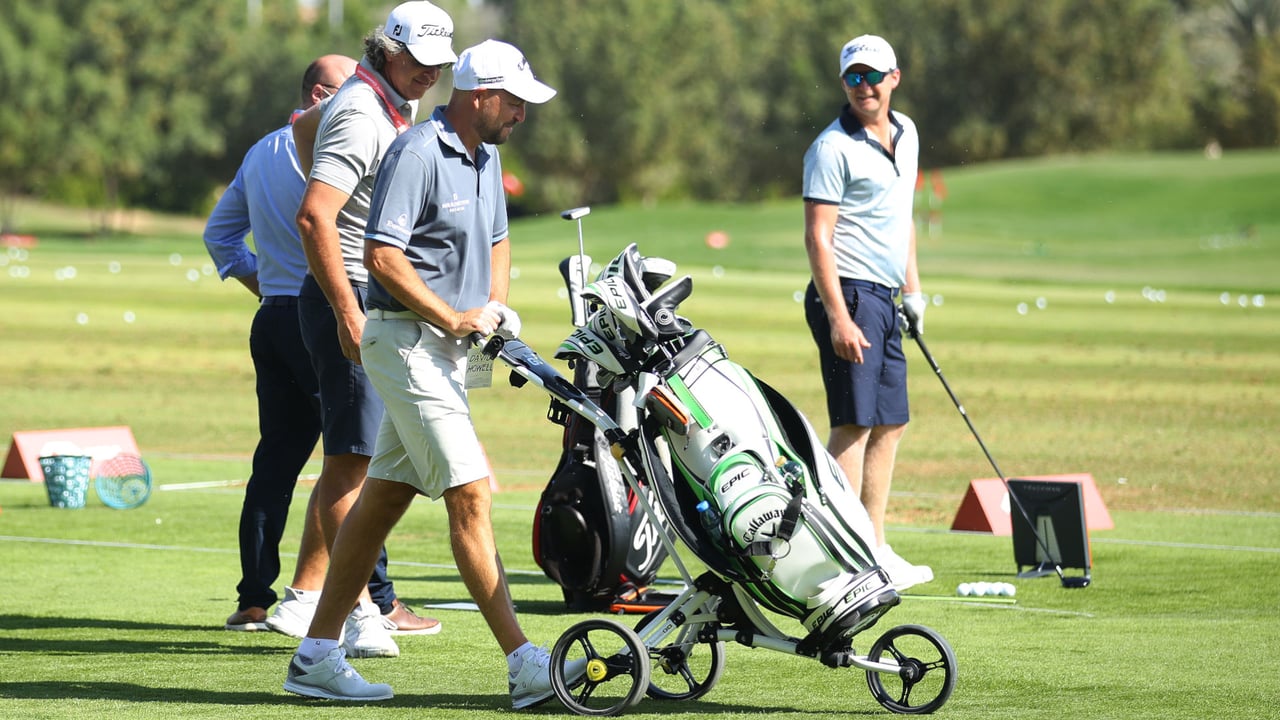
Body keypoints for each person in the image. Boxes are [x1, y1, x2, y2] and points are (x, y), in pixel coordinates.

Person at [282, 39, 578, 708]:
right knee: (470, 493)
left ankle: (316, 655)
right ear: (480, 97)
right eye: (516, 102)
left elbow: (499, 239)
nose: (524, 114)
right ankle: (523, 661)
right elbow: (382, 258)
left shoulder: (486, 155)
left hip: (443, 347)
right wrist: (453, 316)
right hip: (404, 341)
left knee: (383, 496)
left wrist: (493, 309)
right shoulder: (416, 151)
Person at [273, 0, 456, 651]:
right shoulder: (361, 109)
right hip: (346, 296)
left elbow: (300, 128)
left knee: (359, 459)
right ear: (389, 51)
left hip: (354, 295)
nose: (431, 74)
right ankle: (351, 615)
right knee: (354, 462)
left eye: (440, 65)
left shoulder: (368, 98)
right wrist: (349, 310)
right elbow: (313, 216)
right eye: (420, 62)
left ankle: (322, 602)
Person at [203, 54, 358, 632]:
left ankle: (253, 599)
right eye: (351, 88)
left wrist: (266, 286)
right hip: (325, 317)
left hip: (272, 317)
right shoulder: (336, 145)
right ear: (320, 94)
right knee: (352, 457)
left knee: (275, 462)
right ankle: (379, 601)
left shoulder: (259, 150)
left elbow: (219, 236)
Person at [801, 34, 933, 591]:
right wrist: (838, 317)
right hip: (848, 295)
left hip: (884, 295)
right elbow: (818, 238)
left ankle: (874, 546)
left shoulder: (908, 135)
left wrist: (913, 291)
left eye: (874, 76)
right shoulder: (831, 148)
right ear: (843, 84)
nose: (865, 86)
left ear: (894, 78)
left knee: (891, 422)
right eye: (854, 77)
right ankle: (837, 555)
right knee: (853, 427)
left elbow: (901, 222)